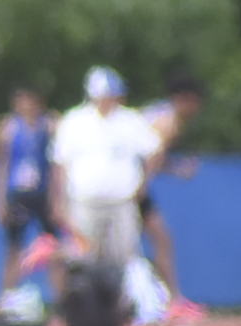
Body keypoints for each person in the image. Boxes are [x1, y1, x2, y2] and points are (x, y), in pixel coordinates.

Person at [49, 67, 162, 269]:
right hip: (84, 202)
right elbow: (60, 163)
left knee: (124, 257)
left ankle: (120, 300)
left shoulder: (130, 121)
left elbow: (154, 150)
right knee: (83, 257)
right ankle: (86, 299)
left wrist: (143, 184)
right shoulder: (74, 121)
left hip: (121, 203)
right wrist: (59, 200)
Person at [137, 76, 208, 323]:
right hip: (130, 188)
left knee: (156, 242)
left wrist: (176, 168)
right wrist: (140, 189)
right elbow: (151, 159)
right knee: (161, 241)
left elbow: (152, 157)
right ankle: (168, 301)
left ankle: (167, 299)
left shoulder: (156, 112)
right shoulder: (169, 123)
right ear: (185, 100)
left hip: (125, 184)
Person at [0, 84, 58, 306]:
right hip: (18, 193)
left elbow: (55, 165)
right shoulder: (8, 128)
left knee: (52, 246)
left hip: (41, 193)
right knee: (13, 247)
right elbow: (1, 166)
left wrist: (56, 199)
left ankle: (61, 299)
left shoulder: (48, 126)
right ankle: (7, 297)